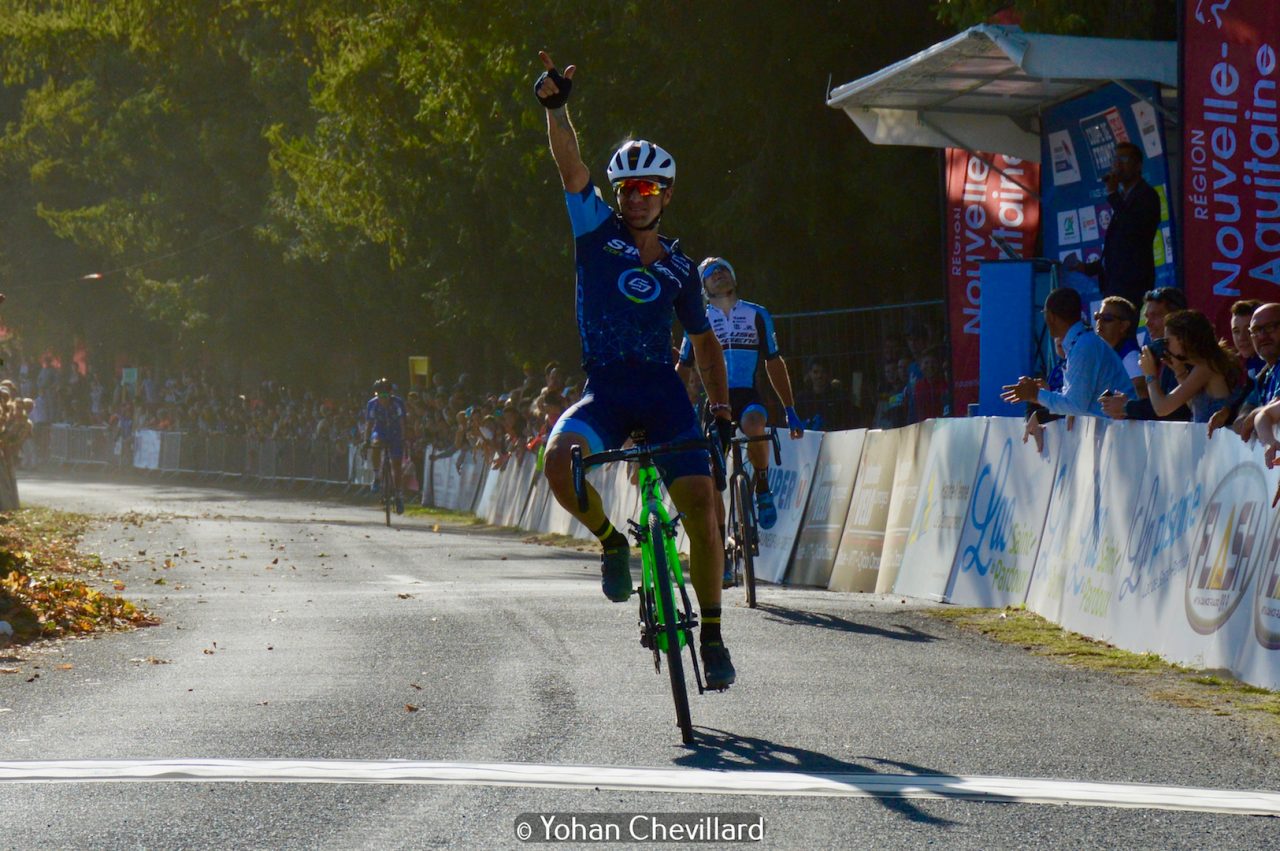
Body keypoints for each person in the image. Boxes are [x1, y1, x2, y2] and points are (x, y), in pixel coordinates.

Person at [534, 52, 737, 689]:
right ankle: (612, 543)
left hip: (662, 395)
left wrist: (723, 411)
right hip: (607, 392)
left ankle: (712, 633)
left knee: (702, 510)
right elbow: (570, 167)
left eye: (648, 190)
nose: (636, 198)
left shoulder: (680, 269)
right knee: (559, 459)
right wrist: (556, 108)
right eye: (628, 190)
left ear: (666, 195)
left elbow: (704, 346)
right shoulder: (596, 232)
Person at [675, 256, 803, 548]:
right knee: (711, 477)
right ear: (704, 286)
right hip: (715, 401)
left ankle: (761, 485)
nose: (719, 274)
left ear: (734, 278)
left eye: (724, 270)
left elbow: (773, 362)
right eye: (710, 273)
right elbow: (683, 368)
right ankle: (720, 543)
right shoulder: (697, 319)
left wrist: (790, 410)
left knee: (755, 423)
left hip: (747, 394)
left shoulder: (757, 314)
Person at [1001, 287, 1130, 418]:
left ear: (1050, 317)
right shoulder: (1082, 342)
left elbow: (1075, 405)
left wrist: (1036, 394)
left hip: (1125, 431)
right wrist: (1042, 394)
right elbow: (1074, 401)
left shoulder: (1084, 346)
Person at [1065, 141, 1162, 308]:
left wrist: (1112, 194)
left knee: (1120, 331)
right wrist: (1088, 268)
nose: (1117, 164)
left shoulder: (1147, 195)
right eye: (1115, 159)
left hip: (1131, 284)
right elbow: (1118, 248)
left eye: (1123, 158)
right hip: (1114, 283)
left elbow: (1134, 231)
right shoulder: (1124, 198)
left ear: (1138, 165)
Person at [1100, 287, 1192, 422]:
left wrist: (1128, 407)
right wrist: (1127, 404)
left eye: (1155, 316)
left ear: (1176, 317)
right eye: (1147, 317)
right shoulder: (1160, 354)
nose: (1148, 324)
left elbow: (1175, 410)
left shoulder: (1190, 355)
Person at [1140, 309, 1240, 424]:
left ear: (1183, 340)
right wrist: (1179, 370)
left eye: (1167, 341)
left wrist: (1150, 376)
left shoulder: (1207, 366)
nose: (1165, 347)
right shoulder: (1207, 363)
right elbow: (1194, 405)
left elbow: (1161, 409)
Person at [362, 377, 407, 514]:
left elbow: (402, 423)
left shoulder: (398, 403)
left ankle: (399, 496)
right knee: (375, 444)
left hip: (395, 432)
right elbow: (369, 424)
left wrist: (403, 439)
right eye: (379, 395)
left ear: (390, 394)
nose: (383, 399)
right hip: (380, 430)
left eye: (386, 395)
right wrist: (366, 440)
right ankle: (377, 476)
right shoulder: (372, 404)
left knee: (397, 466)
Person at [1092, 296, 1145, 398]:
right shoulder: (1104, 354)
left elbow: (1141, 397)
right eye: (1097, 317)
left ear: (1123, 326)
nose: (1099, 323)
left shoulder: (1131, 357)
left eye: (1107, 318)